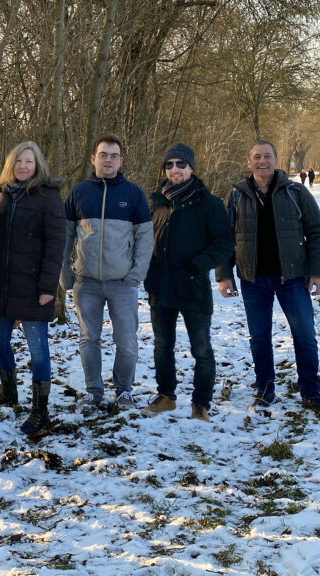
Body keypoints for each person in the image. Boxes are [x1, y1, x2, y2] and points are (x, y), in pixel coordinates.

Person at [216, 140, 320, 417]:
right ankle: (265, 388)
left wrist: (317, 272)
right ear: (249, 162)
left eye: (267, 156)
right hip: (253, 279)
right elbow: (223, 238)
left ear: (276, 160)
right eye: (256, 157)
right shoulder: (236, 196)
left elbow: (317, 231)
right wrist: (224, 275)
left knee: (304, 335)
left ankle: (311, 393)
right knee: (259, 337)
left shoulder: (295, 192)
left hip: (292, 278)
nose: (262, 161)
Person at [141, 144, 234, 422]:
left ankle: (201, 404)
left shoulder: (209, 203)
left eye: (181, 164)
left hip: (193, 286)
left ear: (192, 168)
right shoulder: (157, 202)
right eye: (169, 165)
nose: (175, 170)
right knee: (162, 345)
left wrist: (198, 265)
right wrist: (147, 271)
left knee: (201, 349)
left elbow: (225, 242)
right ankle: (166, 396)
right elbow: (145, 240)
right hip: (161, 285)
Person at [61, 134, 153, 412]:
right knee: (89, 338)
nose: (108, 160)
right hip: (86, 282)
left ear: (121, 160)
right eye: (103, 155)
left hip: (122, 283)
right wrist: (65, 272)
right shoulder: (78, 193)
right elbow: (66, 236)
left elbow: (145, 238)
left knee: (126, 340)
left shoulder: (133, 194)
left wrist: (136, 273)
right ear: (94, 159)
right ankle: (94, 391)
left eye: (114, 155)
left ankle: (124, 390)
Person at [0, 141, 65, 434]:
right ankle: (8, 391)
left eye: (29, 162)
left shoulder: (49, 197)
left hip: (33, 286)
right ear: (11, 165)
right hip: (2, 284)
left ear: (38, 165)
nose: (23, 167)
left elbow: (56, 246)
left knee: (38, 350)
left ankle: (40, 410)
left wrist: (47, 287)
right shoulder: (4, 194)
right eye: (19, 162)